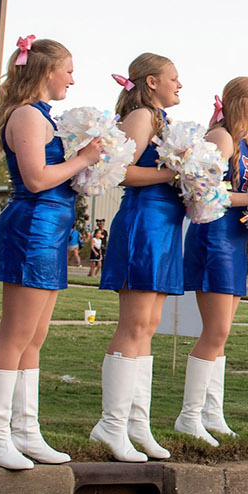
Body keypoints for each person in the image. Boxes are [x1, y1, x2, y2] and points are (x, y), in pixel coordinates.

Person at [0, 36, 103, 469]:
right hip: (32, 226)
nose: (72, 78)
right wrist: (85, 158)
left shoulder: (43, 115)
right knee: (15, 334)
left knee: (35, 336)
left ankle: (25, 430)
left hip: (50, 228)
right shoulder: (28, 116)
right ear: (47, 72)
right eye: (68, 69)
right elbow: (34, 179)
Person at [92, 56, 187, 462]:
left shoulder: (161, 119)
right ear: (151, 81)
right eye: (173, 78)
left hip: (165, 226)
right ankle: (110, 424)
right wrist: (175, 173)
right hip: (143, 223)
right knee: (133, 325)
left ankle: (137, 423)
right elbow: (122, 172)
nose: (180, 85)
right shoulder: (142, 115)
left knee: (149, 325)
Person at [179, 77, 248, 446]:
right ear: (242, 101)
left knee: (222, 333)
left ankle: (212, 412)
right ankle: (189, 415)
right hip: (213, 236)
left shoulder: (246, 143)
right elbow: (207, 193)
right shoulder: (223, 137)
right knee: (214, 331)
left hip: (233, 238)